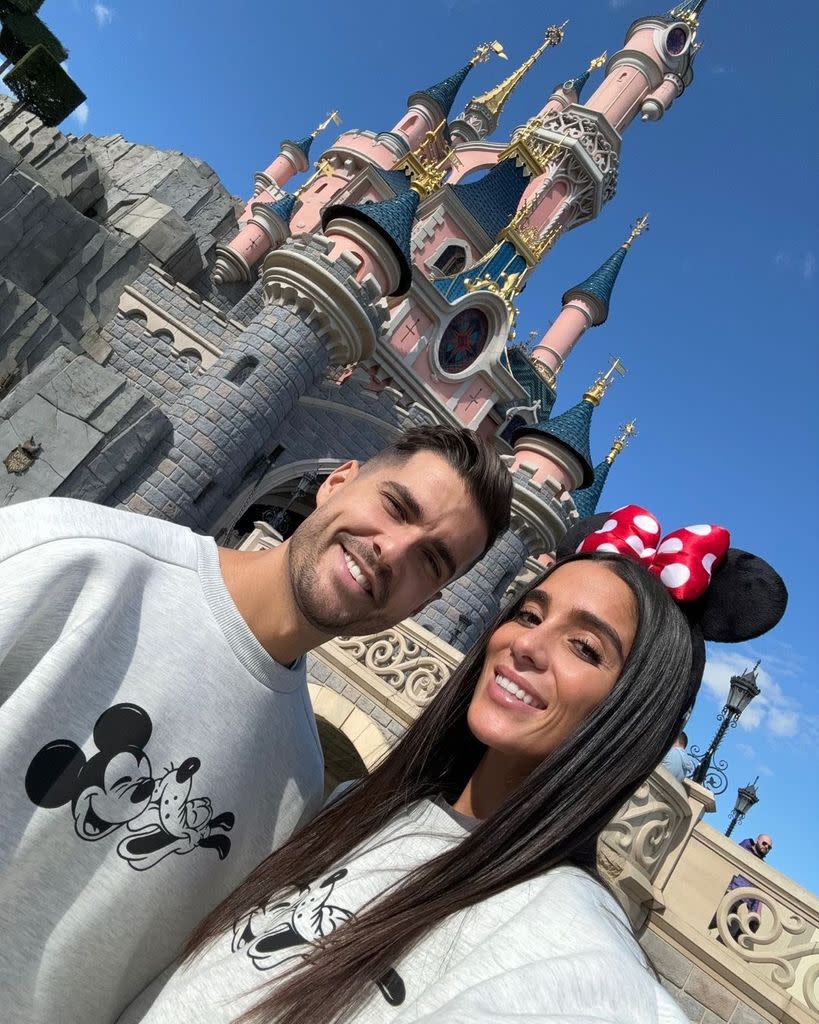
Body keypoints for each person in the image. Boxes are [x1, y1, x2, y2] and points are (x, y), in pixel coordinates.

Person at [117, 504, 787, 1024]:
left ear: (634, 714)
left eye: (584, 648)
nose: (526, 646)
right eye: (528, 614)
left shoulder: (567, 945)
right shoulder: (361, 806)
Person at [0, 425, 512, 1024]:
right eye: (396, 507)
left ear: (422, 606)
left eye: (431, 560)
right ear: (337, 482)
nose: (391, 550)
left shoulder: (297, 782)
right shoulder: (73, 558)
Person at [715, 834, 773, 940]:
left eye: (769, 847)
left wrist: (756, 912)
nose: (766, 847)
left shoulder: (762, 867)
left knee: (728, 936)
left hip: (742, 903)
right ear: (757, 840)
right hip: (728, 892)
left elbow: (758, 891)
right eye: (764, 843)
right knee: (709, 919)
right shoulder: (745, 847)